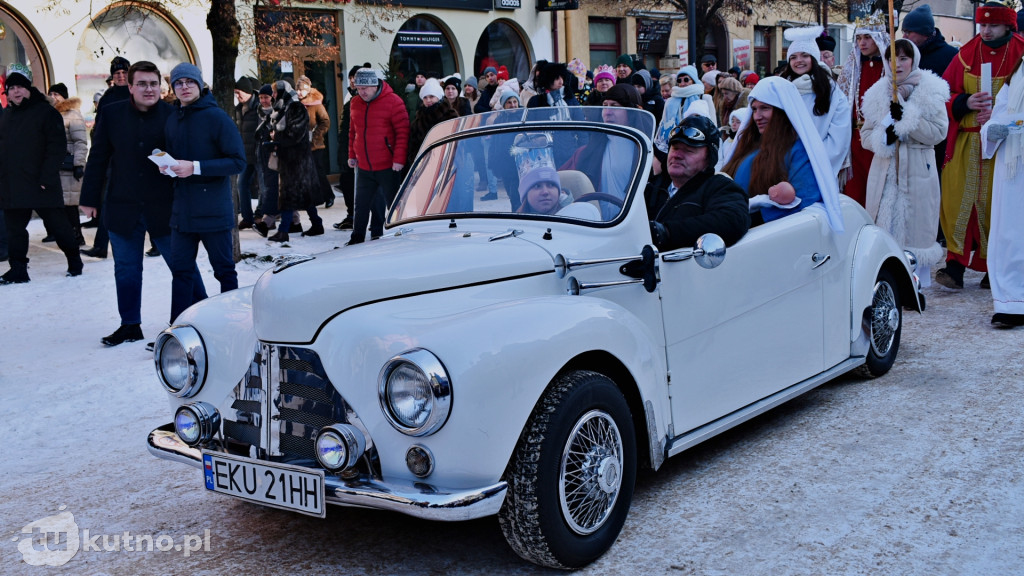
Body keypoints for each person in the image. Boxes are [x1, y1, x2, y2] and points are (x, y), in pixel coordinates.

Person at [80, 61, 207, 345]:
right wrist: (88, 198)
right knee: (125, 268)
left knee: (182, 266)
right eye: (142, 84)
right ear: (130, 86)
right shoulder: (111, 114)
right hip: (122, 204)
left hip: (165, 205)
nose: (148, 89)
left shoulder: (174, 114)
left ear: (160, 87)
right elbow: (98, 157)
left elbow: (186, 155)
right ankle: (130, 324)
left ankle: (203, 317)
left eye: (153, 84)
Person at [937, 1, 1024, 289]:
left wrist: (1002, 117)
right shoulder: (965, 54)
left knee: (997, 205)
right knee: (956, 200)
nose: (985, 31)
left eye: (993, 25)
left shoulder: (1021, 53)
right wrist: (965, 102)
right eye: (982, 25)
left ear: (1008, 26)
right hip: (967, 139)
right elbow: (943, 93)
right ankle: (954, 266)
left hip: (1007, 146)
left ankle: (993, 267)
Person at [860, 39, 950, 287]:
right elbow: (865, 135)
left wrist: (908, 118)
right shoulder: (877, 92)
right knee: (885, 226)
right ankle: (891, 283)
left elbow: (938, 132)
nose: (896, 64)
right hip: (885, 171)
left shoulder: (931, 90)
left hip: (919, 169)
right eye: (892, 58)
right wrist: (884, 137)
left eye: (903, 58)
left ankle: (917, 284)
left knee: (916, 228)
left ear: (914, 60)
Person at [162, 62, 246, 321]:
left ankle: (231, 323)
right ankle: (177, 328)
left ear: (200, 84)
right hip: (182, 211)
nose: (184, 87)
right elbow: (177, 159)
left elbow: (238, 161)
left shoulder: (217, 117)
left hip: (213, 211)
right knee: (181, 272)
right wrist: (167, 166)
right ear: (173, 88)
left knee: (224, 271)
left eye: (189, 81)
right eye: (178, 83)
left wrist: (196, 167)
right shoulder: (173, 118)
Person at [721, 76, 844, 232]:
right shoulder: (748, 144)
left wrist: (754, 219)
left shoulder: (798, 150)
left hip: (763, 234)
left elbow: (805, 200)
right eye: (754, 109)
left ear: (782, 111)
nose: (757, 116)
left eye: (765, 108)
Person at [0, 63, 83, 285]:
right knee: (14, 231)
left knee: (59, 226)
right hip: (13, 185)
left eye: (20, 87)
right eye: (11, 88)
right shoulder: (5, 116)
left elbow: (56, 148)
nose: (16, 91)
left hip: (41, 183)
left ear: (29, 89)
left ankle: (74, 260)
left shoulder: (45, 112)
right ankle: (18, 270)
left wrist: (47, 177)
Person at [648, 115, 750, 251]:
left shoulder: (719, 187)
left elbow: (733, 220)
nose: (677, 155)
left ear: (709, 159)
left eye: (688, 150)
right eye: (675, 148)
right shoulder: (651, 186)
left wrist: (666, 232)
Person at [981, 46, 1024, 326]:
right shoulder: (1017, 75)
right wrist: (992, 130)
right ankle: (1012, 301)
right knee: (1011, 232)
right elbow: (1000, 113)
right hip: (1015, 165)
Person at [347, 67, 409, 245]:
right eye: (358, 88)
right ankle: (357, 238)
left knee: (394, 206)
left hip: (388, 165)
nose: (362, 92)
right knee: (361, 205)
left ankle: (404, 237)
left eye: (365, 88)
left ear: (375, 85)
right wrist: (352, 154)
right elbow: (353, 132)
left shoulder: (393, 101)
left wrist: (398, 159)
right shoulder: (355, 103)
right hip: (365, 165)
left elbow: (403, 133)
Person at [781, 25, 853, 176]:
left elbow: (839, 134)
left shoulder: (831, 90)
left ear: (813, 58)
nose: (798, 61)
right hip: (784, 162)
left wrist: (814, 161)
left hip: (815, 166)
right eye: (793, 57)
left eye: (805, 55)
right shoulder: (783, 88)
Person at [82, 55, 133, 259]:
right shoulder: (107, 98)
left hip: (135, 156)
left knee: (143, 201)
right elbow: (100, 129)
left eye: (123, 72)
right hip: (112, 158)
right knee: (107, 201)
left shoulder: (135, 93)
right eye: (117, 73)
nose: (121, 76)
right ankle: (101, 245)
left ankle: (158, 241)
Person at [838, 11, 891, 206]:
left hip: (880, 138)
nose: (862, 42)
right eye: (859, 38)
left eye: (868, 37)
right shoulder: (853, 67)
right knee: (855, 191)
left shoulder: (889, 68)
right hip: (854, 139)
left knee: (879, 191)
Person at [271, 82, 321, 243]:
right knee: (301, 194)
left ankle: (284, 230)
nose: (273, 95)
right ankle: (316, 223)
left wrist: (276, 138)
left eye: (274, 92)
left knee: (289, 195)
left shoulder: (295, 108)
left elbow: (295, 133)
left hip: (297, 160)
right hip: (290, 159)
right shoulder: (283, 107)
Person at [48, 83, 88, 248]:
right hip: (55, 166)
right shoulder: (50, 114)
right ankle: (66, 235)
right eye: (51, 93)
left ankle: (77, 236)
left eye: (57, 94)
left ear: (64, 96)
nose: (54, 97)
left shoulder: (72, 114)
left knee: (70, 205)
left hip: (69, 166)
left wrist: (79, 164)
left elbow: (80, 141)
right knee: (60, 205)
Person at [331, 64, 367, 232]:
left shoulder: (363, 98)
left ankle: (359, 217)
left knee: (358, 185)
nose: (352, 81)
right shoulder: (349, 96)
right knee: (347, 183)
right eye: (351, 78)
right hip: (348, 147)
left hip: (359, 148)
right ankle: (351, 215)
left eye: (356, 78)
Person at [296, 74, 334, 216]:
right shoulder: (296, 104)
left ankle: (328, 195)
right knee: (304, 172)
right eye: (298, 90)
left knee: (318, 171)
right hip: (300, 144)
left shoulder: (316, 104)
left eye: (302, 90)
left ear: (308, 90)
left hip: (315, 145)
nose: (299, 92)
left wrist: (316, 135)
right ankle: (310, 199)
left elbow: (326, 122)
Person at [253, 83, 282, 237]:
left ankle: (267, 221)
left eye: (266, 97)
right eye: (261, 97)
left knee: (272, 187)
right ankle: (294, 222)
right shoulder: (256, 112)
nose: (264, 100)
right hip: (261, 153)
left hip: (274, 153)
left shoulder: (277, 111)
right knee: (269, 186)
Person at [233, 77, 260, 229]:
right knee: (241, 184)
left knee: (263, 186)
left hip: (258, 153)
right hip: (244, 154)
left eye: (239, 93)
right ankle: (247, 217)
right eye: (236, 93)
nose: (238, 96)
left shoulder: (258, 106)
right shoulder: (238, 110)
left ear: (248, 92)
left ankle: (261, 216)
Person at [715, 107, 751, 172]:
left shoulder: (747, 142)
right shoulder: (728, 140)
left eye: (738, 122)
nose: (733, 124)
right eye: (732, 121)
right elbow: (721, 159)